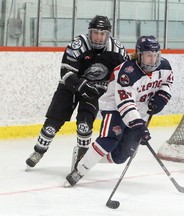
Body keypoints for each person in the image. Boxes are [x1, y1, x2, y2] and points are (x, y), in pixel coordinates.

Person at [64, 35, 174, 186]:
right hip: (115, 107)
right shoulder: (127, 73)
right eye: (149, 56)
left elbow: (168, 80)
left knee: (122, 155)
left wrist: (162, 95)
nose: (153, 60)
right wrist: (138, 126)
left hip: (139, 111)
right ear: (139, 55)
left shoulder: (164, 66)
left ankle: (85, 156)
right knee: (109, 140)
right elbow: (125, 103)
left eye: (155, 55)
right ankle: (79, 170)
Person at [25, 15, 129, 170]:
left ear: (108, 35)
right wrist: (84, 85)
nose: (98, 37)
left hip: (94, 92)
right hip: (69, 88)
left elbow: (126, 75)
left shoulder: (117, 50)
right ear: (89, 32)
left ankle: (81, 157)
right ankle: (38, 151)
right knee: (51, 126)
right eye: (95, 33)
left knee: (84, 126)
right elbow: (66, 73)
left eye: (102, 34)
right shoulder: (78, 44)